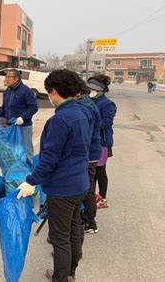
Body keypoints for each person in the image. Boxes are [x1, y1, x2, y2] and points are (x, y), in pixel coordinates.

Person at [17, 69, 90, 282]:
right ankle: (71, 273)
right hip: (80, 183)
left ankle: (61, 278)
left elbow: (49, 159)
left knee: (60, 238)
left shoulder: (60, 119)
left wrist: (30, 182)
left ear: (55, 91)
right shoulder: (82, 112)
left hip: (62, 188)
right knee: (74, 229)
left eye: (49, 92)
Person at [0, 69, 38, 166]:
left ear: (16, 79)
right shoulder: (7, 91)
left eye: (9, 77)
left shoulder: (26, 91)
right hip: (11, 127)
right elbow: (4, 107)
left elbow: (33, 107)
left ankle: (31, 173)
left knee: (26, 149)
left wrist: (22, 118)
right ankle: (16, 173)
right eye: (6, 77)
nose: (6, 79)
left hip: (24, 126)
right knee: (13, 150)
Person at [75, 79, 102, 234]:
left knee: (87, 188)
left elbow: (86, 136)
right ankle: (86, 219)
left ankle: (89, 222)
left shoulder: (85, 107)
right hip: (90, 153)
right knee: (87, 187)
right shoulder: (87, 104)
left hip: (89, 154)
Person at [87, 75, 117, 209]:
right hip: (90, 140)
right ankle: (92, 195)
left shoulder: (107, 104)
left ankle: (103, 198)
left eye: (93, 88)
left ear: (101, 89)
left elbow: (106, 122)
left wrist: (88, 124)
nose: (90, 90)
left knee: (100, 171)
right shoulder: (89, 100)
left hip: (102, 142)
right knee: (91, 171)